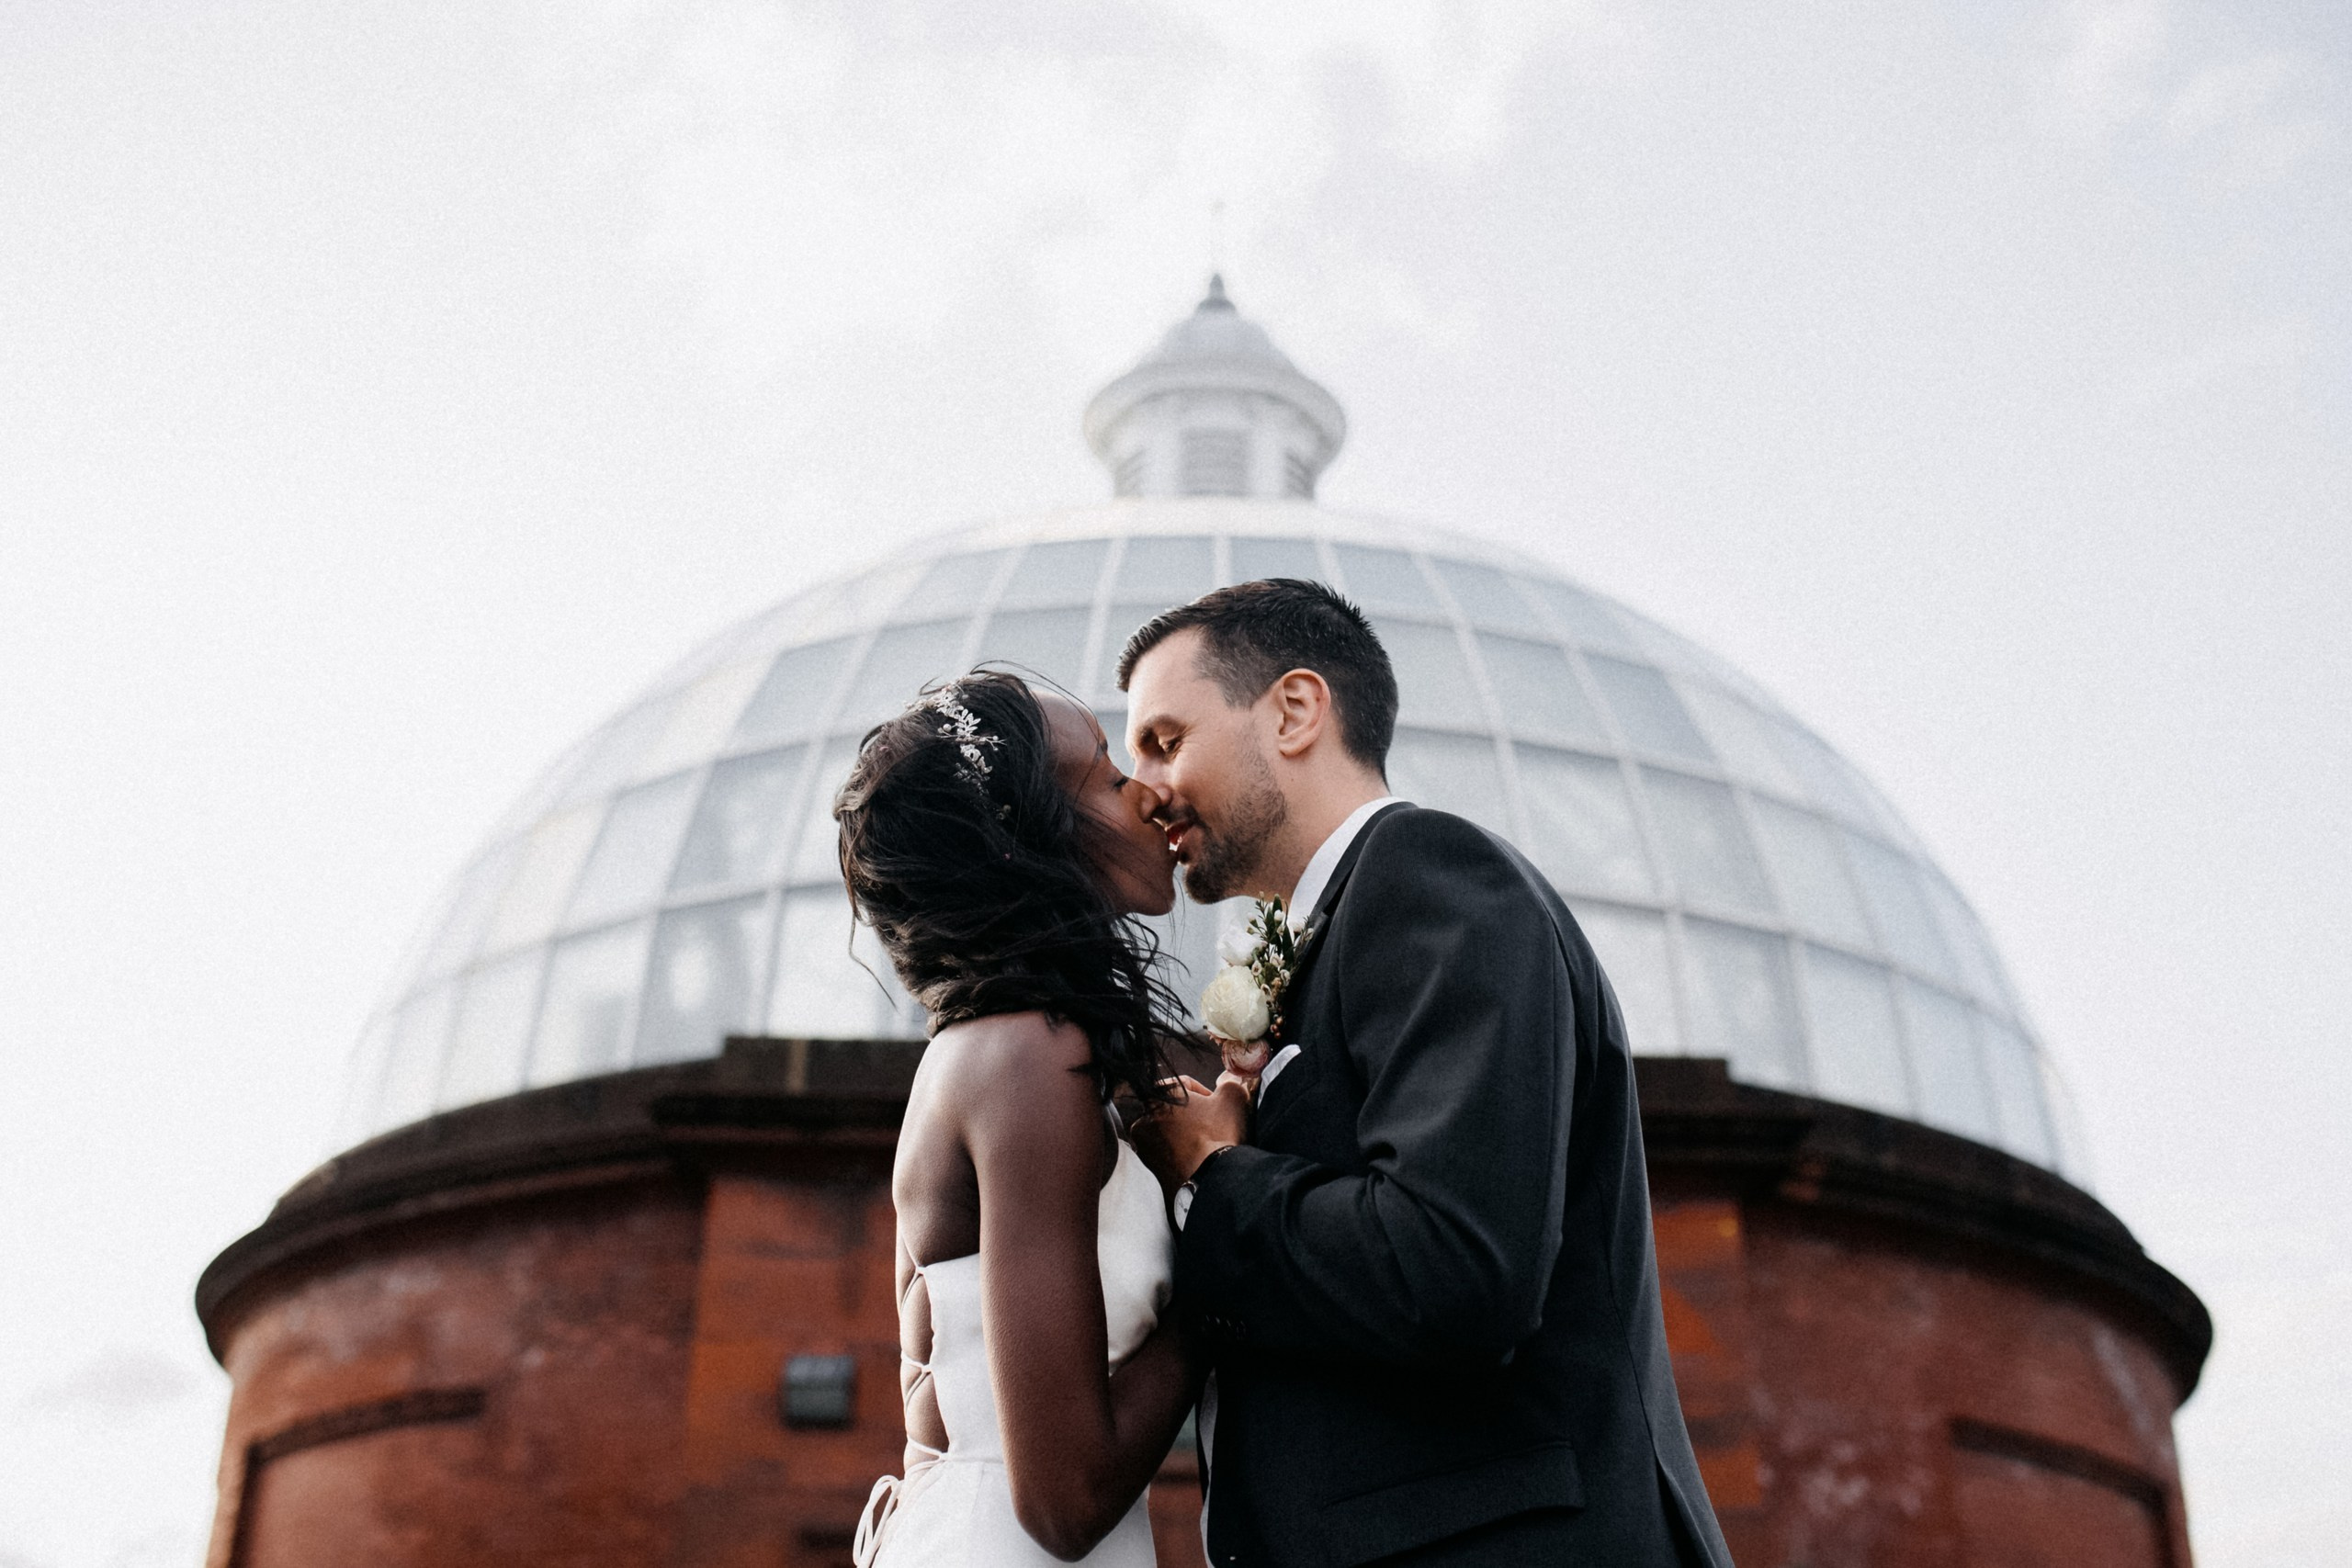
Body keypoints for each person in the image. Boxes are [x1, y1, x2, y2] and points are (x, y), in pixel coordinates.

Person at [1121, 579, 1736, 1568]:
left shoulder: (1427, 873)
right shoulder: (1331, 929)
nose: (1143, 787)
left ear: (1294, 710)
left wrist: (1214, 1173)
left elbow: (1455, 1265)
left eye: (1164, 740)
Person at [838, 672, 1204, 1567]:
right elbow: (1064, 1501)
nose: (1148, 795)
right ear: (1028, 836)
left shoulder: (1005, 1049)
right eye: (1108, 776)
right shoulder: (1027, 1058)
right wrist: (1232, 1265)